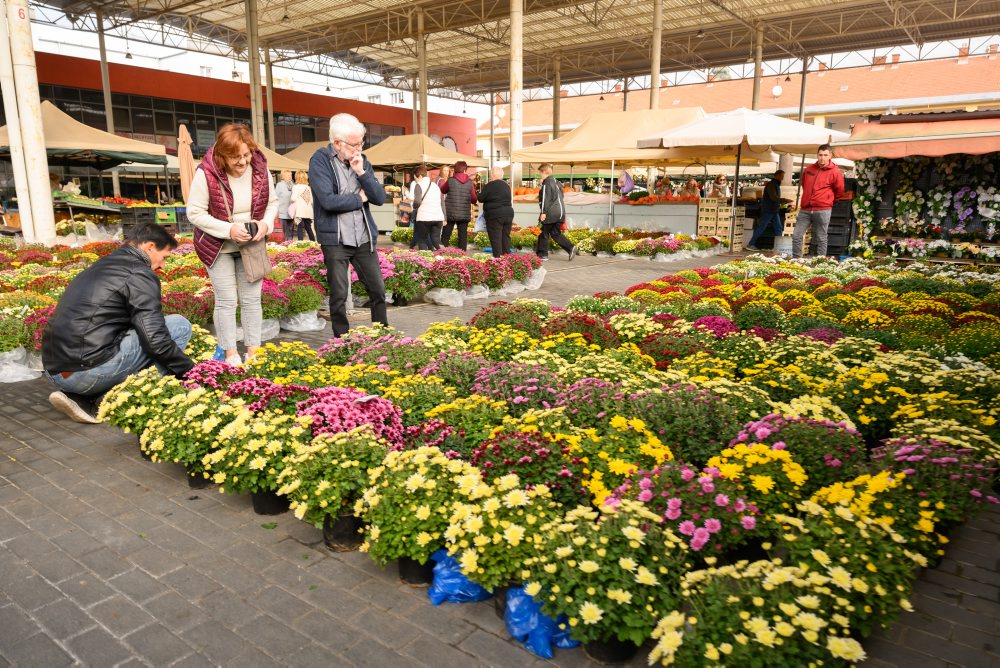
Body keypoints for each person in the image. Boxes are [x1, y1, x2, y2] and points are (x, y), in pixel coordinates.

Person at [42, 223, 194, 423]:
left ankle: (82, 398)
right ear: (149, 247)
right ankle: (146, 397)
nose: (163, 265)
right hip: (86, 373)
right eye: (164, 257)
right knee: (178, 325)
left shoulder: (103, 264)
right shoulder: (139, 273)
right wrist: (192, 373)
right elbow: (156, 341)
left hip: (57, 372)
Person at [188, 122, 276, 367]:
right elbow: (194, 213)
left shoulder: (261, 168)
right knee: (226, 300)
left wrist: (265, 225)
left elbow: (272, 203)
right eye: (235, 157)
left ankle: (254, 351)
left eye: (246, 155)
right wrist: (229, 229)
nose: (242, 162)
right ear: (221, 155)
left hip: (251, 245)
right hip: (218, 246)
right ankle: (230, 353)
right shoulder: (206, 173)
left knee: (252, 300)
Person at [309, 112, 389, 337]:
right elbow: (327, 200)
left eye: (361, 143)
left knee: (378, 289)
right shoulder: (320, 160)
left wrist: (362, 173)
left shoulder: (363, 162)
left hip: (363, 236)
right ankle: (342, 339)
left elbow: (379, 198)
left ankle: (383, 336)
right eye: (354, 144)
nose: (359, 149)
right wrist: (358, 199)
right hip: (336, 239)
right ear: (337, 143)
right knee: (339, 294)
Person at [792, 144, 845, 258]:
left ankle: (820, 261)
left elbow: (840, 191)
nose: (822, 158)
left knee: (821, 237)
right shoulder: (809, 169)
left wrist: (828, 201)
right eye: (820, 155)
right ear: (817, 155)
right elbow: (804, 185)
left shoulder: (835, 172)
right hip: (806, 209)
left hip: (823, 209)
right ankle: (796, 259)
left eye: (825, 155)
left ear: (830, 155)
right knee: (796, 235)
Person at [536, 163, 577, 261]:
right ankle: (571, 248)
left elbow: (546, 199)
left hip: (550, 213)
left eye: (540, 173)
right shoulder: (557, 182)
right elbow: (560, 197)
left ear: (544, 172)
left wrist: (543, 213)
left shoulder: (546, 183)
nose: (540, 175)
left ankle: (543, 255)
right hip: (560, 212)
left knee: (543, 232)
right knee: (555, 233)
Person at [440, 161, 478, 251]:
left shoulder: (450, 180)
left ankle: (442, 254)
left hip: (450, 213)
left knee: (446, 235)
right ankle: (462, 256)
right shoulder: (470, 183)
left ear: (455, 170)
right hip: (464, 213)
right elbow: (474, 199)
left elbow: (443, 190)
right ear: (465, 170)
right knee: (462, 236)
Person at [478, 166, 514, 258]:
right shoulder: (506, 186)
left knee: (495, 238)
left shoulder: (490, 185)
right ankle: (507, 258)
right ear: (501, 175)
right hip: (508, 214)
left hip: (495, 215)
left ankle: (497, 260)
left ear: (492, 175)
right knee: (505, 237)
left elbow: (481, 198)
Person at [745, 169, 785, 252]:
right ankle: (751, 244)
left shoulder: (775, 184)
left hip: (773, 210)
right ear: (776, 175)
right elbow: (773, 197)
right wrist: (783, 200)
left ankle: (779, 246)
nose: (782, 178)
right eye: (781, 176)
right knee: (762, 227)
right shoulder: (772, 184)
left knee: (778, 228)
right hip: (769, 209)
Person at [407, 164, 444, 251]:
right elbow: (442, 201)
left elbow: (417, 202)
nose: (415, 180)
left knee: (422, 240)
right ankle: (444, 255)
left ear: (419, 176)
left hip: (424, 217)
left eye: (415, 177)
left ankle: (424, 261)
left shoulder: (418, 185)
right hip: (438, 217)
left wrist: (414, 206)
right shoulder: (435, 186)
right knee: (436, 240)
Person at [290, 171, 315, 241]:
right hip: (308, 210)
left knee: (300, 228)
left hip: (300, 210)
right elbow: (312, 201)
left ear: (297, 177)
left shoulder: (296, 187)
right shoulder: (308, 188)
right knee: (308, 228)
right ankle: (313, 243)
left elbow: (293, 198)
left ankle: (300, 244)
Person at [275, 169, 294, 239]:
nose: (290, 177)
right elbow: (275, 199)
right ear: (283, 176)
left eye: (291, 175)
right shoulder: (279, 185)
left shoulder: (293, 185)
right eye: (288, 175)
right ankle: (282, 247)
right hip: (282, 213)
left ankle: (290, 248)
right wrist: (276, 212)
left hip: (291, 214)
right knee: (282, 233)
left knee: (290, 233)